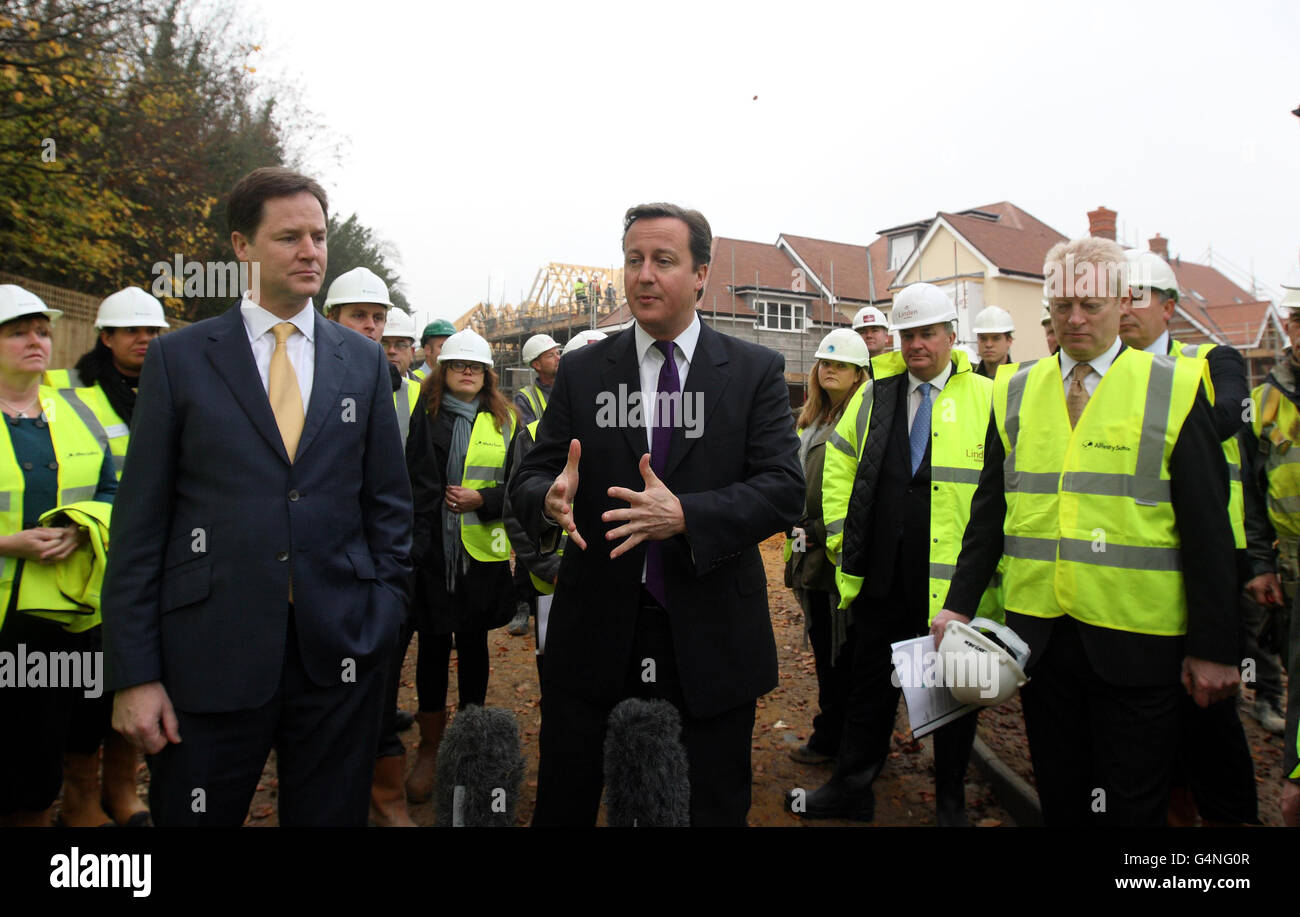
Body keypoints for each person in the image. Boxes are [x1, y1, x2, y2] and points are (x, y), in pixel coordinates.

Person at [102, 167, 412, 827]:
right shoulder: (180, 359)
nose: (311, 252)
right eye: (290, 236)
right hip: (208, 659)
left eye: (320, 236)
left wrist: (383, 611)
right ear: (242, 246)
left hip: (339, 657)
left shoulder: (363, 364)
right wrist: (134, 672)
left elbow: (389, 503)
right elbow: (139, 525)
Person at [509, 202, 804, 826]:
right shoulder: (584, 369)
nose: (644, 274)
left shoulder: (755, 371)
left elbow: (783, 488)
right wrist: (548, 496)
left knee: (711, 802)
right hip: (596, 624)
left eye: (663, 261)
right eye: (634, 259)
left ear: (701, 273)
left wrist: (688, 516)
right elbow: (532, 473)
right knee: (568, 794)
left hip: (710, 626)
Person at [941, 236, 1239, 827]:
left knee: (1134, 807)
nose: (1074, 319)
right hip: (1042, 642)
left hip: (1139, 643)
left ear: (1123, 301)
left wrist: (1215, 648)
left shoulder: (1176, 388)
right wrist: (957, 604)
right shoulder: (1015, 390)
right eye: (1062, 304)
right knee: (1063, 795)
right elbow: (990, 510)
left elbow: (1208, 528)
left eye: (1092, 304)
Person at [796, 283, 1003, 825]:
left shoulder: (987, 397)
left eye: (927, 333)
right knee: (871, 687)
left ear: (950, 336)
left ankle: (950, 803)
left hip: (950, 583)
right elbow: (839, 468)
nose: (916, 345)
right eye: (907, 334)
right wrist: (843, 544)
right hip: (881, 574)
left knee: (955, 695)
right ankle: (852, 787)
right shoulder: (877, 394)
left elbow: (1004, 494)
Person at [1119, 248, 1257, 825]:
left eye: (1138, 297)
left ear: (1169, 308)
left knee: (1210, 714)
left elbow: (1227, 418)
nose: (1125, 309)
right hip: (1134, 568)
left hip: (1213, 561)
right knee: (1149, 721)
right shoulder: (1095, 374)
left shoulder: (1213, 361)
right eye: (1117, 297)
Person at [42, 286, 167, 827]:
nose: (144, 339)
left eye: (152, 331)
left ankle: (123, 790)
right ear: (105, 337)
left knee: (136, 680)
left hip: (154, 562)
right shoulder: (70, 393)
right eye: (132, 331)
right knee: (88, 695)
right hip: (89, 567)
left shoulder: (168, 387)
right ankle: (81, 798)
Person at [0, 285, 119, 827]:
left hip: (67, 610)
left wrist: (81, 525)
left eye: (42, 331)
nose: (36, 341)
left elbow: (114, 491)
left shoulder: (73, 410)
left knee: (54, 736)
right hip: (6, 615)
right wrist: (6, 544)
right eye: (19, 332)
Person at [402, 328, 517, 804]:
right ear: (442, 371)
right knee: (432, 643)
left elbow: (518, 486)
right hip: (431, 556)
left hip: (479, 554)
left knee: (472, 646)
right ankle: (430, 747)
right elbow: (409, 484)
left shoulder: (504, 420)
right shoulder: (424, 417)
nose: (466, 372)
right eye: (457, 365)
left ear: (487, 374)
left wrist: (482, 499)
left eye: (474, 366)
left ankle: (469, 744)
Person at [783, 328, 870, 768]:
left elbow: (863, 491)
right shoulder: (812, 418)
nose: (829, 369)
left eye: (840, 364)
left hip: (843, 558)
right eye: (825, 362)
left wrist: (819, 529)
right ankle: (835, 732)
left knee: (847, 653)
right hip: (811, 559)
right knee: (826, 649)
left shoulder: (866, 417)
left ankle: (843, 740)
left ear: (859, 374)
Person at [503, 330, 607, 676]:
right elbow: (515, 514)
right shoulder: (532, 438)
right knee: (557, 672)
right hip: (553, 583)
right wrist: (550, 569)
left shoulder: (631, 439)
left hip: (610, 583)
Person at [1239, 282, 1300, 826]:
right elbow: (1253, 496)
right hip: (1289, 567)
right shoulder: (1267, 401)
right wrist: (1261, 563)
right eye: (1298, 321)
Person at [972, 306, 1014, 378]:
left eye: (996, 338)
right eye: (983, 338)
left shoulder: (1020, 380)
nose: (989, 345)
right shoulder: (969, 381)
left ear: (1009, 341)